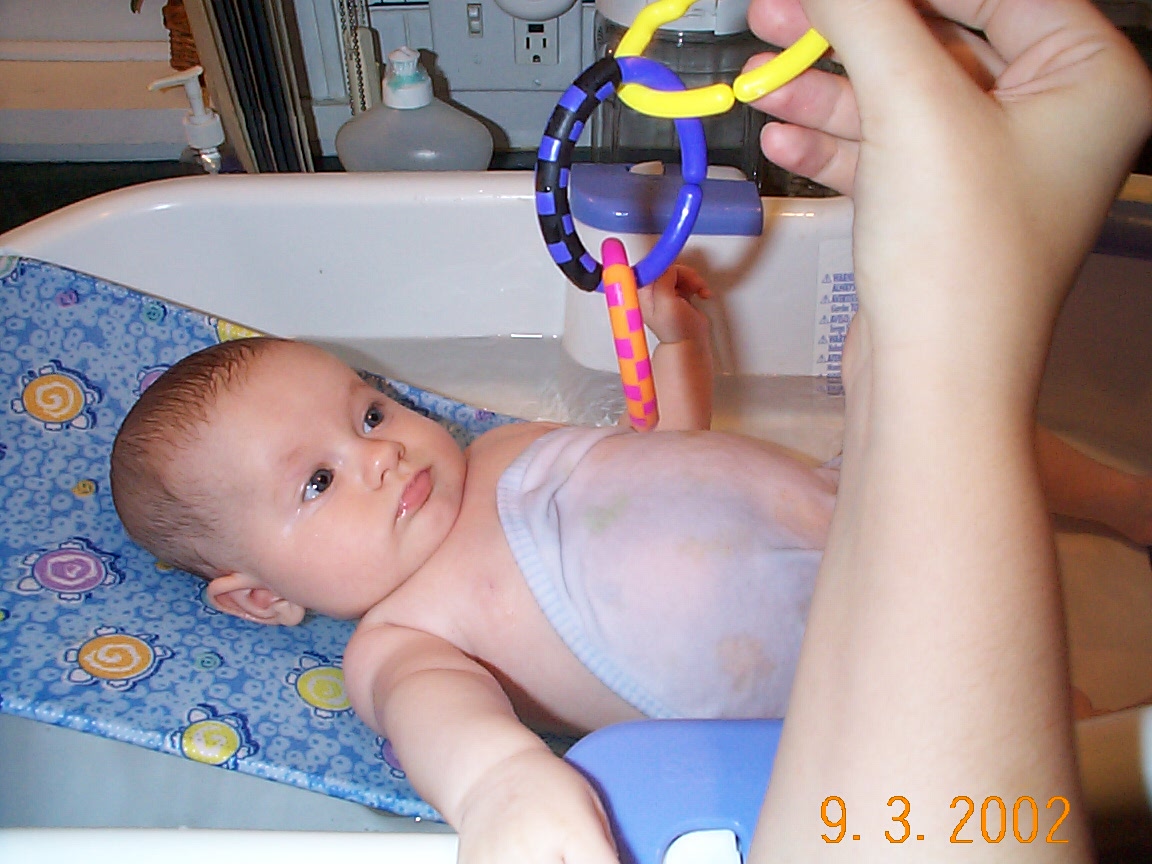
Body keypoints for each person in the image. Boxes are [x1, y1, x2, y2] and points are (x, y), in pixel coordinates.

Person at [107, 3, 1152, 863]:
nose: (377, 453)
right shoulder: (404, 637)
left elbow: (663, 451)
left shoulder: (496, 452)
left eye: (368, 411)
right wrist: (500, 784)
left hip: (847, 496)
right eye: (318, 482)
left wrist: (681, 343)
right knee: (1023, 716)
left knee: (960, 426)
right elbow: (436, 720)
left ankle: (1128, 499)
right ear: (262, 597)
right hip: (825, 680)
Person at [739, 0, 1152, 861]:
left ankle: (1123, 496)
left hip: (831, 503)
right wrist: (939, 348)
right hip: (800, 608)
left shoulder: (509, 456)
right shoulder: (441, 622)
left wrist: (919, 360)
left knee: (901, 412)